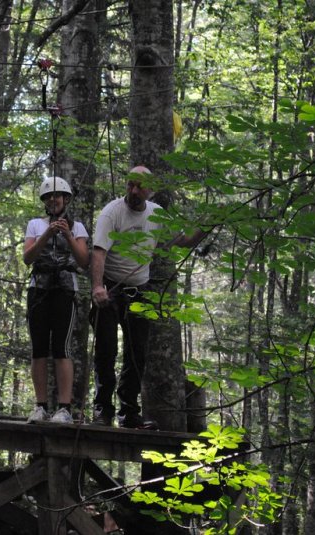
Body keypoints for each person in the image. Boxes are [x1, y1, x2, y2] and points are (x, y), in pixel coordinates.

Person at [90, 166, 205, 429]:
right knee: (106, 350)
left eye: (139, 186)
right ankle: (102, 411)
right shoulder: (112, 212)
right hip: (110, 288)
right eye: (129, 184)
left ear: (150, 189)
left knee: (136, 353)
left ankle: (129, 413)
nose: (132, 191)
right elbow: (98, 252)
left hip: (139, 291)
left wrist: (205, 227)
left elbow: (183, 240)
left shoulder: (157, 215)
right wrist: (97, 287)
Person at [23, 176, 89, 424]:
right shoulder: (34, 225)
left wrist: (67, 234)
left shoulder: (78, 227)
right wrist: (46, 234)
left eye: (58, 196)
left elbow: (83, 261)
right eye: (49, 197)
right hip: (38, 290)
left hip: (64, 290)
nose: (53, 200)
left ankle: (64, 408)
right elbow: (28, 257)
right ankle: (40, 406)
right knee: (38, 348)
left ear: (66, 199)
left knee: (62, 347)